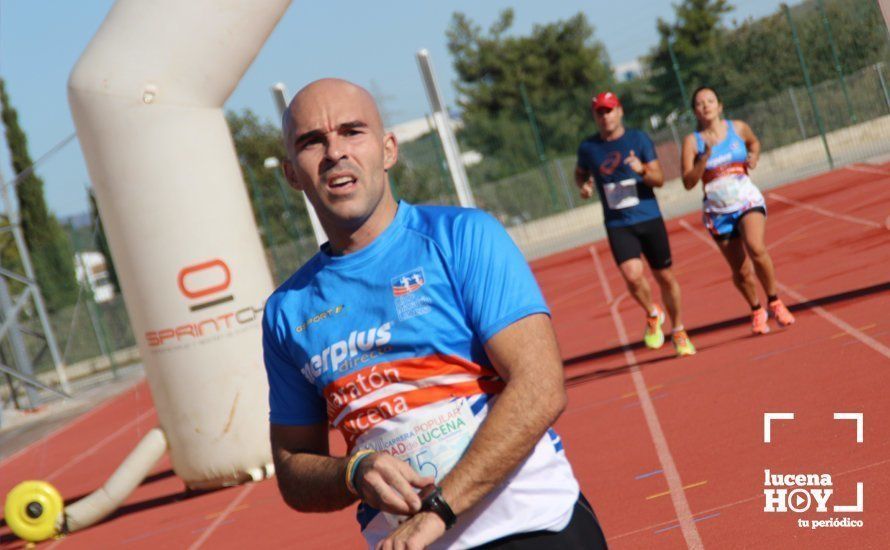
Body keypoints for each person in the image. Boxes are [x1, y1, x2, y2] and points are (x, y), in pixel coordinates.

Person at [264, 78, 608, 550]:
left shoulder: (463, 237)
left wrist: (438, 511)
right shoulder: (287, 310)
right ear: (292, 174)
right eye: (312, 141)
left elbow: (541, 386)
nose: (335, 152)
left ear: (388, 150)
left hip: (529, 526)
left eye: (352, 132)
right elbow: (293, 468)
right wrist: (353, 471)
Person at [575, 91, 696, 356]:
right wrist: (584, 187)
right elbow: (580, 174)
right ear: (595, 117)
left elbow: (659, 179)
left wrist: (642, 170)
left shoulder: (637, 139)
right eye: (600, 112)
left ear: (620, 112)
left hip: (648, 217)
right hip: (618, 223)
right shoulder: (588, 148)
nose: (605, 116)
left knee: (665, 277)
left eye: (609, 110)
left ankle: (678, 330)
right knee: (631, 274)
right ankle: (653, 313)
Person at [680, 86, 795, 334]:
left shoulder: (738, 128)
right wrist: (703, 159)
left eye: (710, 100)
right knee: (740, 270)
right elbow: (688, 182)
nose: (706, 106)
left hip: (746, 199)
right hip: (718, 210)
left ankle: (774, 301)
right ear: (695, 112)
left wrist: (753, 156)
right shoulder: (692, 142)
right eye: (700, 103)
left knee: (756, 247)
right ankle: (756, 309)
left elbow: (754, 143)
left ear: (720, 106)